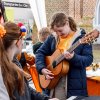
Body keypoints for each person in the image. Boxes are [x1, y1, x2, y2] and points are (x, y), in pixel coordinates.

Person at [35, 13, 93, 100]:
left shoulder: (82, 38)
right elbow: (40, 53)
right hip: (52, 85)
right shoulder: (52, 37)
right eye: (56, 31)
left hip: (73, 87)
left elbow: (88, 59)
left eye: (60, 30)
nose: (58, 34)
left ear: (67, 23)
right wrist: (42, 68)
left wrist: (73, 57)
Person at [0, 21, 59, 100]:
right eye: (23, 39)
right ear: (18, 42)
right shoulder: (6, 70)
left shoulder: (14, 62)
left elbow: (26, 90)